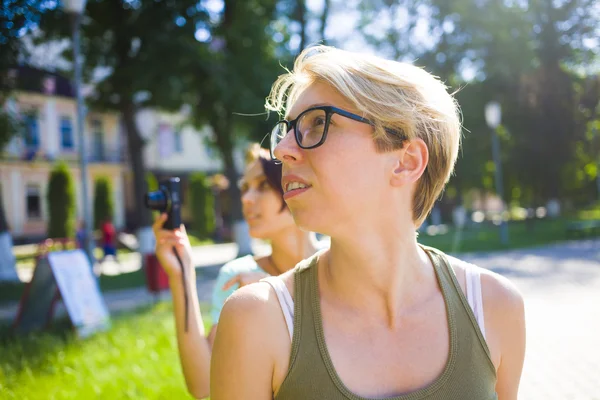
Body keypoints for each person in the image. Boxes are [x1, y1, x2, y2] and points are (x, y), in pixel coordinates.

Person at [211, 46, 526, 400]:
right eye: (286, 130)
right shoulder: (257, 320)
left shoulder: (495, 307)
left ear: (406, 162)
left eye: (318, 122)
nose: (283, 149)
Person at [152, 143, 326, 399]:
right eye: (244, 188)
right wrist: (182, 275)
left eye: (262, 185)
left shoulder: (340, 258)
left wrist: (275, 294)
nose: (245, 198)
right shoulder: (239, 275)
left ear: (294, 185)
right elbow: (204, 385)